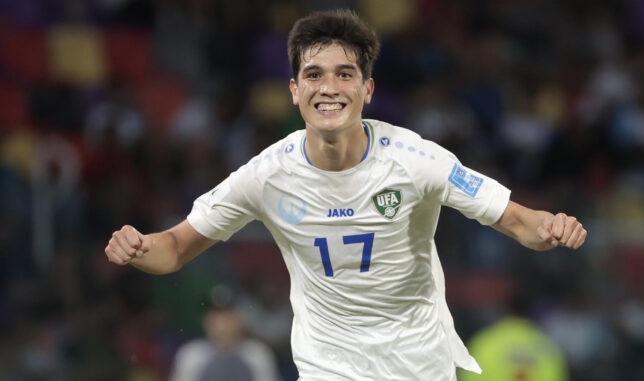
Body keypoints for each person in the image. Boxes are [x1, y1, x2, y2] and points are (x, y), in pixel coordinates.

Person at [105, 9, 587, 380]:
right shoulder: (267, 174)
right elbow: (173, 250)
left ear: (368, 88)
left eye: (344, 74)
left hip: (419, 367)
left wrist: (552, 228)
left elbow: (521, 222)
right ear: (294, 90)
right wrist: (140, 247)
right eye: (314, 75)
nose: (329, 88)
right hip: (328, 368)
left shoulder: (416, 159)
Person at [169, 290, 279, 381]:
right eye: (216, 316)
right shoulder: (192, 355)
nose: (221, 324)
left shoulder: (256, 354)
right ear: (206, 320)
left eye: (227, 315)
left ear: (239, 319)